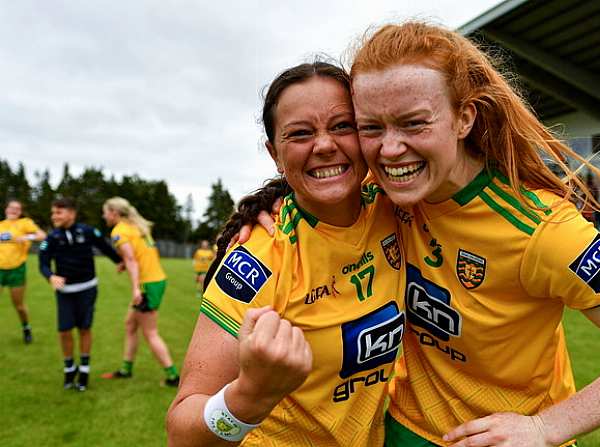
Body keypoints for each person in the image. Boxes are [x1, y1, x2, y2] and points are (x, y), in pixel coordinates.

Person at [242, 21, 600, 447]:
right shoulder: (384, 192)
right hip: (404, 431)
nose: (390, 148)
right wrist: (271, 199)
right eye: (370, 127)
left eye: (414, 122)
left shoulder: (543, 230)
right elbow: (320, 180)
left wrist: (544, 427)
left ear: (464, 119)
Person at [166, 61, 406, 446]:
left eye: (343, 125)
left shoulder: (396, 204)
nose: (325, 145)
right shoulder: (259, 258)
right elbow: (181, 433)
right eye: (300, 134)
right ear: (274, 153)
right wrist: (249, 396)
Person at [38, 197, 123, 391]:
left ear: (71, 213)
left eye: (58, 212)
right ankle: (69, 368)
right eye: (53, 213)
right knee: (64, 330)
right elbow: (42, 263)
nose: (54, 216)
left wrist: (120, 261)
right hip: (65, 292)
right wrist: (50, 276)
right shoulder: (52, 238)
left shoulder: (88, 231)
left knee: (85, 328)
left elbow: (105, 248)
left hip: (87, 288)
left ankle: (84, 369)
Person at [101, 197, 180, 386]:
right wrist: (124, 264)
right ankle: (126, 369)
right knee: (130, 324)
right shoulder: (138, 227)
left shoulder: (119, 231)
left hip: (147, 284)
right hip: (155, 280)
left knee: (150, 332)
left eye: (105, 212)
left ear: (114, 213)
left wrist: (136, 288)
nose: (104, 216)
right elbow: (137, 255)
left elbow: (131, 260)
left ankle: (173, 376)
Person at [0, 199, 46, 344]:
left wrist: (26, 237)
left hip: (17, 269)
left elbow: (42, 235)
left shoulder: (25, 223)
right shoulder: (0, 226)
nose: (13, 210)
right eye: (11, 207)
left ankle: (26, 328)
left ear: (20, 212)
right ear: (6, 209)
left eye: (17, 208)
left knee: (19, 306)